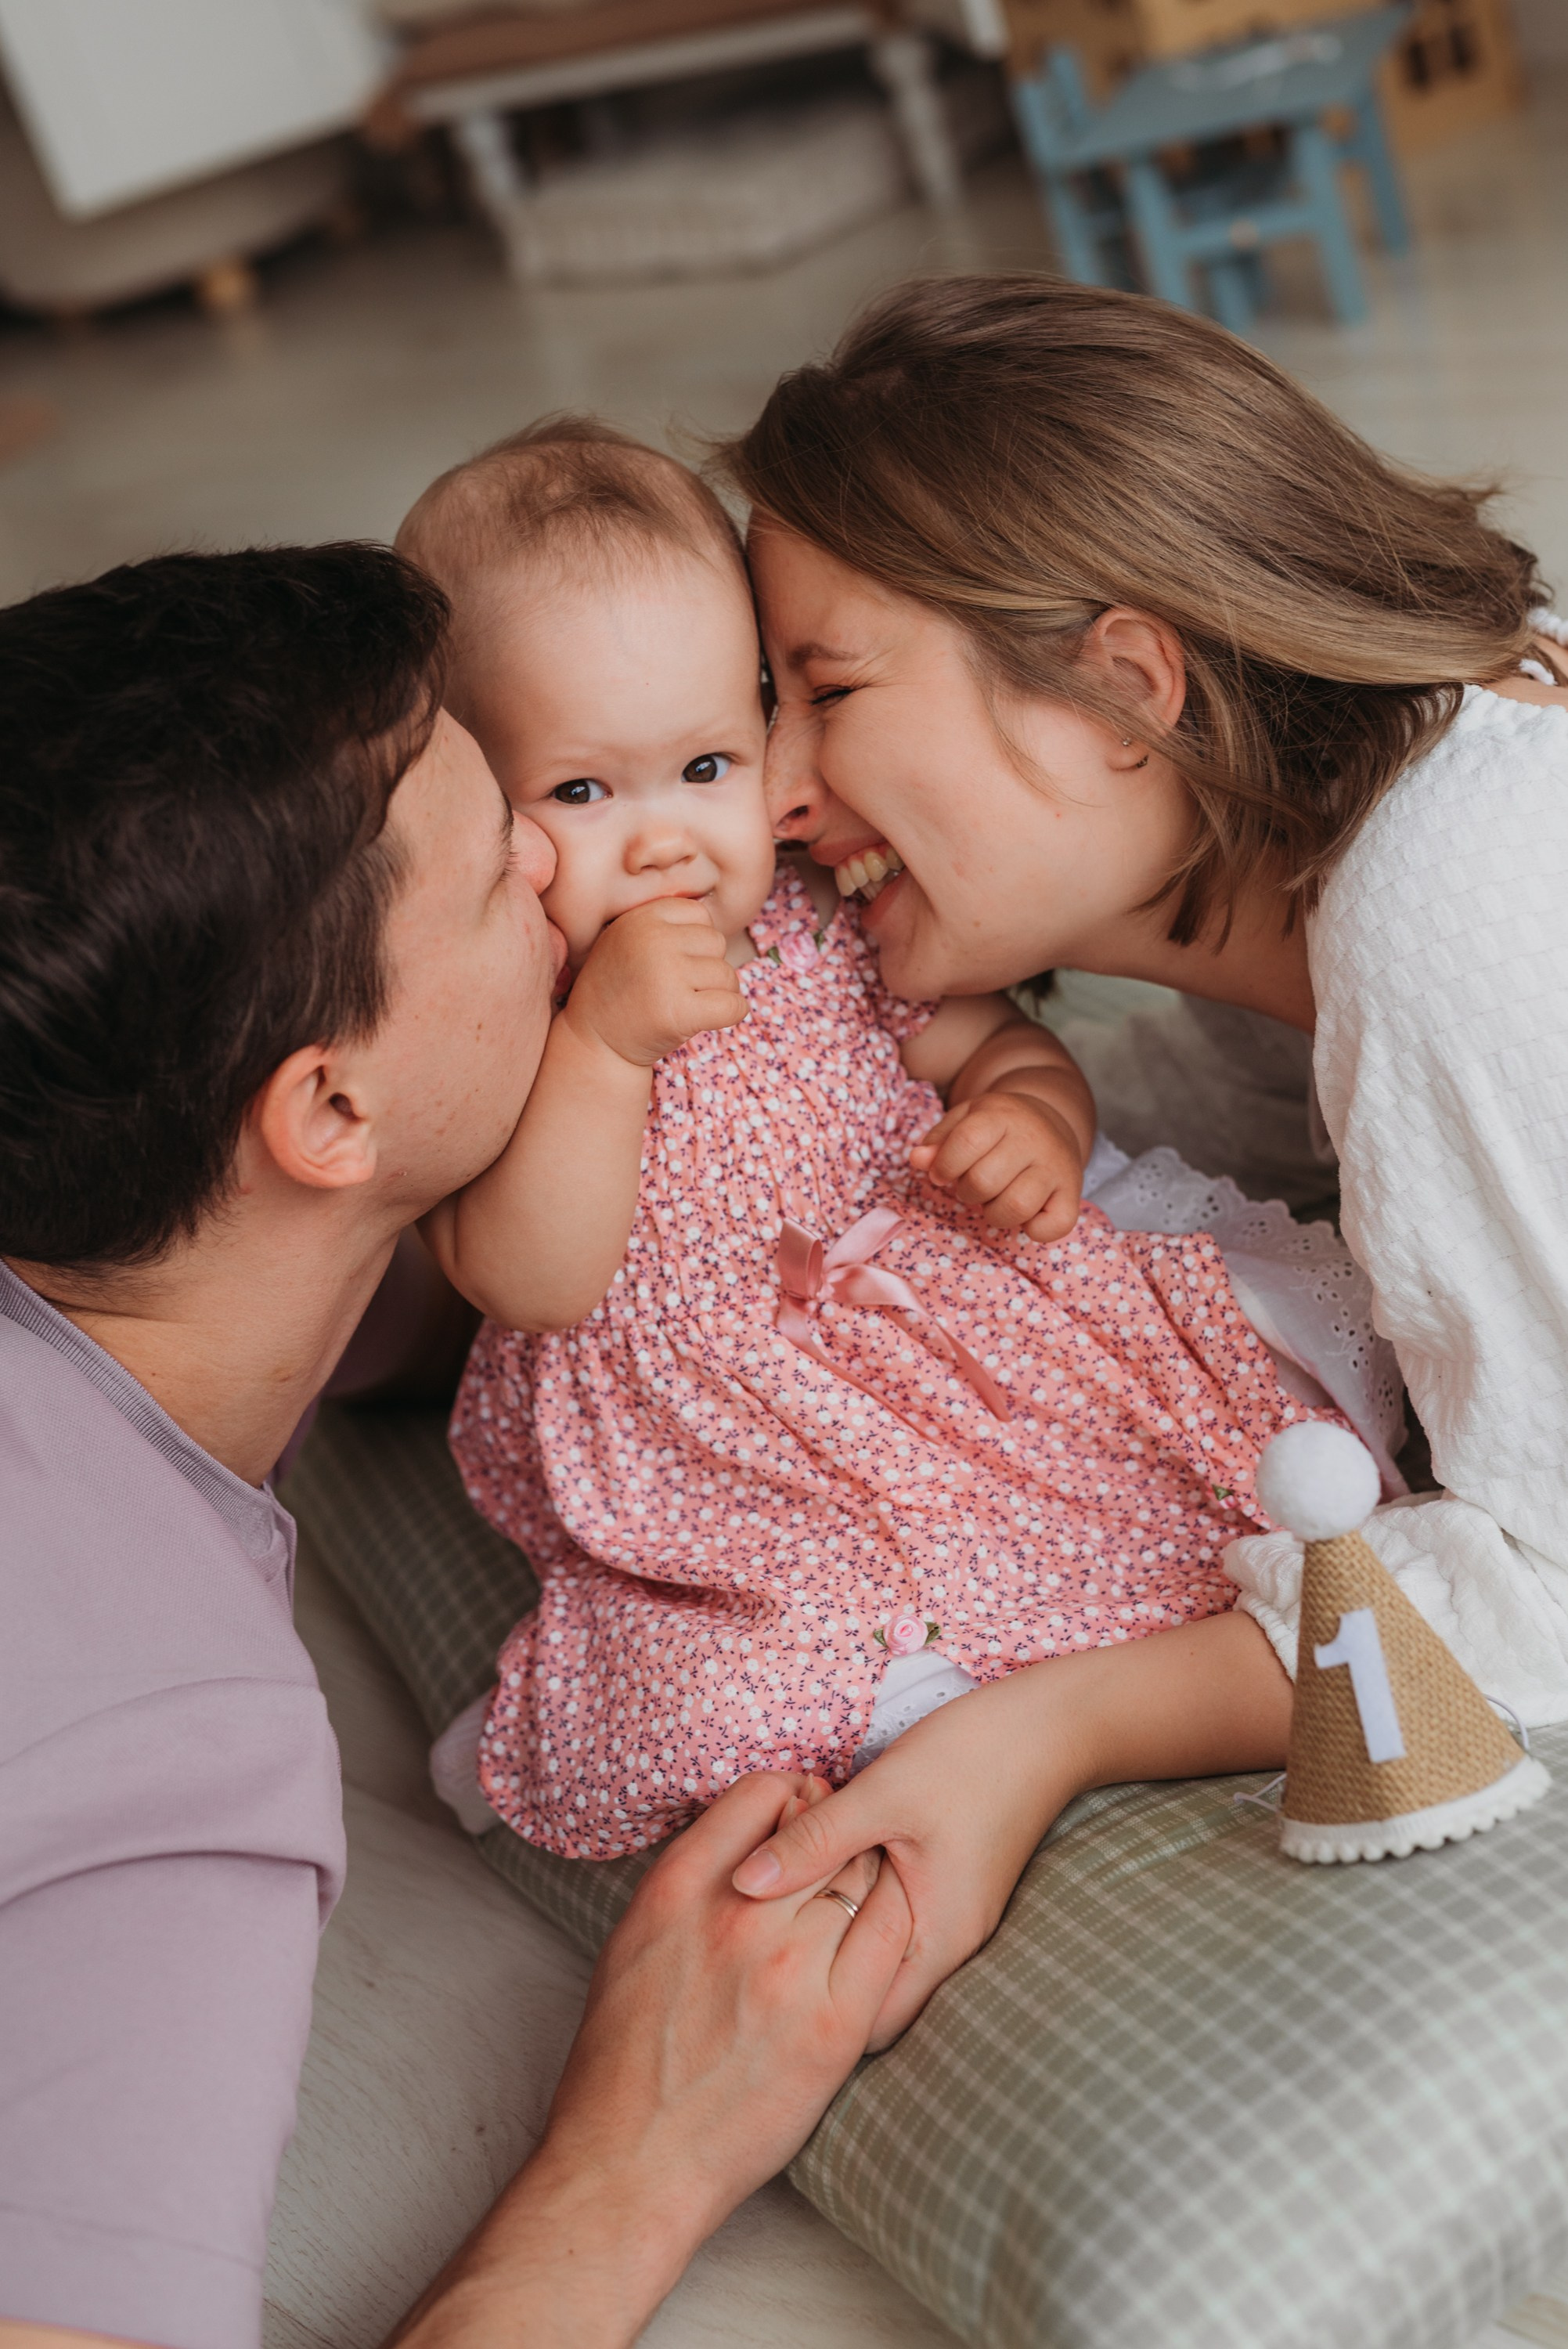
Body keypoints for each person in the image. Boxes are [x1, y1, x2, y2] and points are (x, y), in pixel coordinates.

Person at [0, 545, 913, 2349]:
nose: (576, 864)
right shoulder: (164, 1753)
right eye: (509, 855)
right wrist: (631, 2163)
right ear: (330, 1107)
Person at [699, 272, 1568, 2037]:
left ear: (1119, 689)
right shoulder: (1387, 805)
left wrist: (1047, 1727)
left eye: (827, 689)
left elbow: (1555, 1584)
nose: (775, 796)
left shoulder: (1442, 910)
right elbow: (1221, 1125)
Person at [392, 418, 1393, 1900]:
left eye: (706, 765)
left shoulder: (820, 923)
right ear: (478, 808)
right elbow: (527, 1279)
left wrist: (1032, 1120)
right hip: (727, 1452)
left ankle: (1033, 1632)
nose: (665, 842)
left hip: (936, 1342)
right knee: (734, 1668)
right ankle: (630, 1683)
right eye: (583, 793)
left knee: (1187, 1440)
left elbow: (1000, 1046)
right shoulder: (515, 1008)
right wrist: (602, 1047)